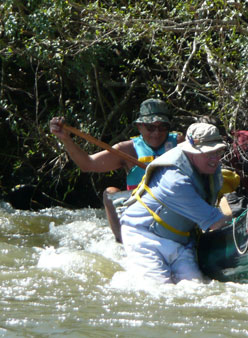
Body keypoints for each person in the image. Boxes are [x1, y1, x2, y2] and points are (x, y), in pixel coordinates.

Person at [49, 98, 183, 243]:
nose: (156, 133)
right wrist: (66, 139)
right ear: (139, 127)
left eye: (162, 127)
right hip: (140, 206)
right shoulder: (127, 150)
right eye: (150, 127)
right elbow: (87, 164)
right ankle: (121, 239)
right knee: (109, 193)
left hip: (172, 204)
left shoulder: (181, 143)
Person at [119, 122, 231, 284]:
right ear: (191, 151)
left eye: (217, 151)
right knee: (160, 291)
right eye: (208, 153)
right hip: (144, 237)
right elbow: (216, 222)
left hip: (181, 242)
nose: (215, 158)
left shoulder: (212, 168)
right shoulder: (175, 181)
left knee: (197, 288)